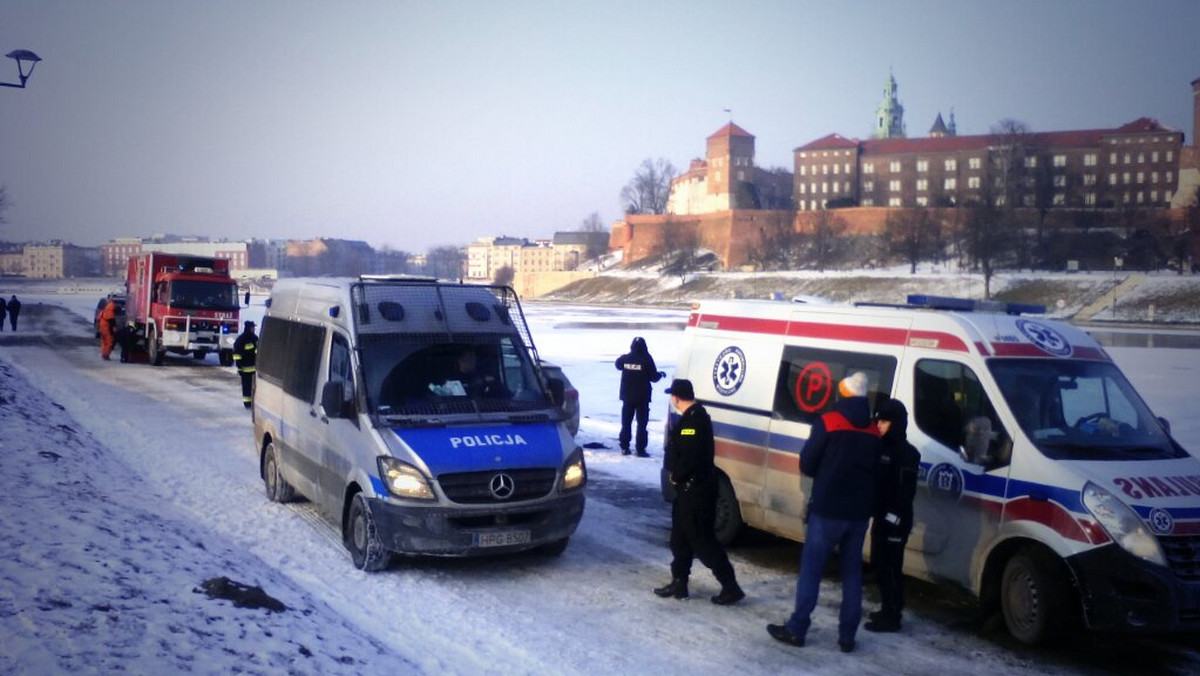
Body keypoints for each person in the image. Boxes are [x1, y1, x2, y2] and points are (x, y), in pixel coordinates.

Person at [768, 371, 881, 653]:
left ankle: (797, 629)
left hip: (828, 509)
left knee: (812, 570)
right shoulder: (873, 430)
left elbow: (807, 463)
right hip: (858, 514)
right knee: (852, 573)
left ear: (842, 393)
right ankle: (847, 637)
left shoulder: (828, 422)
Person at [653, 379, 745, 606]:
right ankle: (679, 582)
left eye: (671, 396)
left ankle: (731, 587)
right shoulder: (691, 417)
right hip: (686, 491)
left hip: (695, 490)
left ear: (675, 397)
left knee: (703, 541)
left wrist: (676, 475)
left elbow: (691, 457)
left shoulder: (694, 421)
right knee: (679, 539)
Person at [865, 397, 920, 633]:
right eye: (878, 420)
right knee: (879, 563)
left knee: (891, 567)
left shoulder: (908, 454)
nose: (879, 425)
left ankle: (893, 614)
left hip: (896, 520)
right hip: (881, 516)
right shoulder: (879, 447)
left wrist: (892, 516)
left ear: (896, 423)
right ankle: (887, 607)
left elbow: (905, 493)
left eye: (884, 421)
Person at [614, 337, 664, 457]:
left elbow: (617, 364)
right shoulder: (647, 359)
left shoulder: (626, 358)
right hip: (642, 398)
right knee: (642, 425)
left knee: (626, 423)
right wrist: (661, 374)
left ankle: (625, 447)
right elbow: (654, 377)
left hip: (627, 397)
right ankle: (640, 449)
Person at [232, 321, 258, 408]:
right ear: (249, 328)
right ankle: (247, 404)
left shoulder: (255, 338)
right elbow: (236, 354)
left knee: (255, 388)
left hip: (255, 369)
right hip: (245, 370)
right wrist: (239, 367)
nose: (254, 329)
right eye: (252, 327)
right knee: (246, 388)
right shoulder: (241, 339)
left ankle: (254, 403)